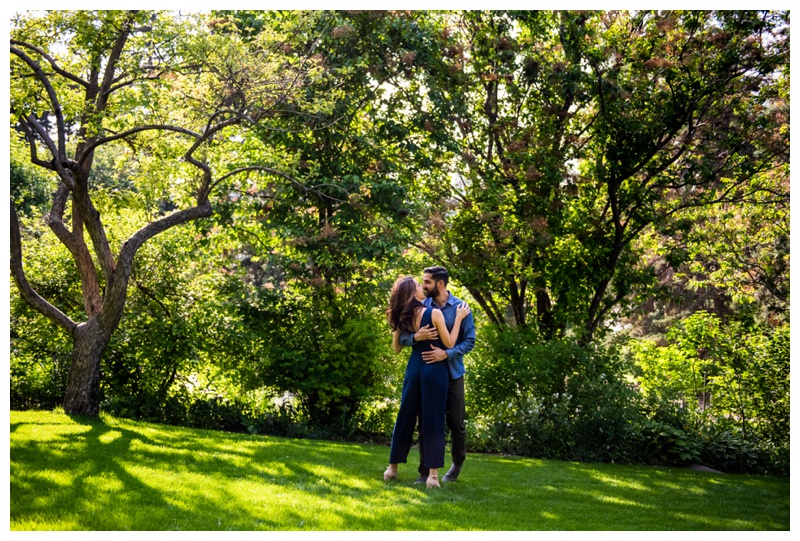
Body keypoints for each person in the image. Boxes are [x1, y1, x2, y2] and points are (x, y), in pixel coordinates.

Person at [383, 276, 470, 488]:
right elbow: (449, 342)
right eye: (418, 286)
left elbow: (396, 349)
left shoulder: (401, 315)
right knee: (433, 420)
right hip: (434, 367)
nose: (422, 288)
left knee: (405, 416)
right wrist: (458, 318)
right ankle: (432, 477)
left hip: (414, 367)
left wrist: (414, 338)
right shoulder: (434, 313)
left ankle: (391, 469)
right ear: (413, 294)